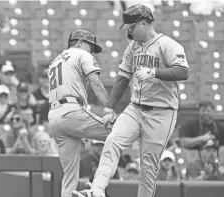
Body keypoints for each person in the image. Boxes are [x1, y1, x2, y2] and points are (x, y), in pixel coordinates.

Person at [73, 4, 189, 197]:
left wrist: (154, 72)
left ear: (143, 23)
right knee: (112, 141)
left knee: (147, 169)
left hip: (163, 112)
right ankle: (97, 190)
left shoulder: (168, 45)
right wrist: (110, 108)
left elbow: (183, 72)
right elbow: (122, 78)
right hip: (135, 108)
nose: (128, 30)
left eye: (131, 27)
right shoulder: (133, 47)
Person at [47, 29, 113, 197]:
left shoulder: (55, 61)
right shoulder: (81, 54)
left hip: (55, 116)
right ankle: (96, 190)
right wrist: (108, 110)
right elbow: (96, 84)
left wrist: (77, 128)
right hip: (71, 110)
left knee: (69, 175)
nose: (92, 51)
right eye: (91, 46)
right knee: (120, 134)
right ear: (79, 42)